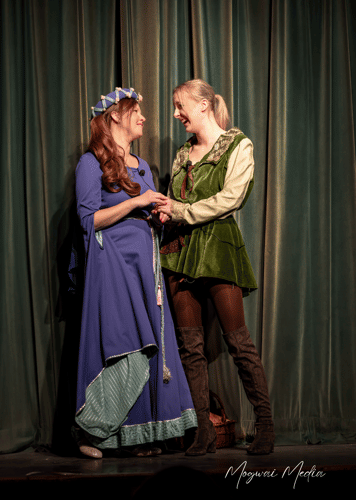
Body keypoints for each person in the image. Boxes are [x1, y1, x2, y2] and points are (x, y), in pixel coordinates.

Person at [73, 88, 197, 459]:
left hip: (145, 268)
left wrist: (156, 215)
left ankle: (140, 435)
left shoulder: (141, 166)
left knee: (149, 348)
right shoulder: (90, 163)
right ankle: (93, 434)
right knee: (120, 341)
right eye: (136, 111)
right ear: (114, 116)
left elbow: (143, 214)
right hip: (111, 268)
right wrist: (137, 202)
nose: (143, 118)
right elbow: (88, 220)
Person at [155, 78, 274, 456]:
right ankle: (203, 431)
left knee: (238, 342)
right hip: (180, 250)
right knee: (190, 347)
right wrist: (163, 210)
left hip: (218, 249)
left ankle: (266, 425)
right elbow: (174, 199)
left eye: (180, 105)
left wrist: (180, 210)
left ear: (203, 105)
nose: (176, 113)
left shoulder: (239, 145)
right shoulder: (181, 154)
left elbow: (230, 198)